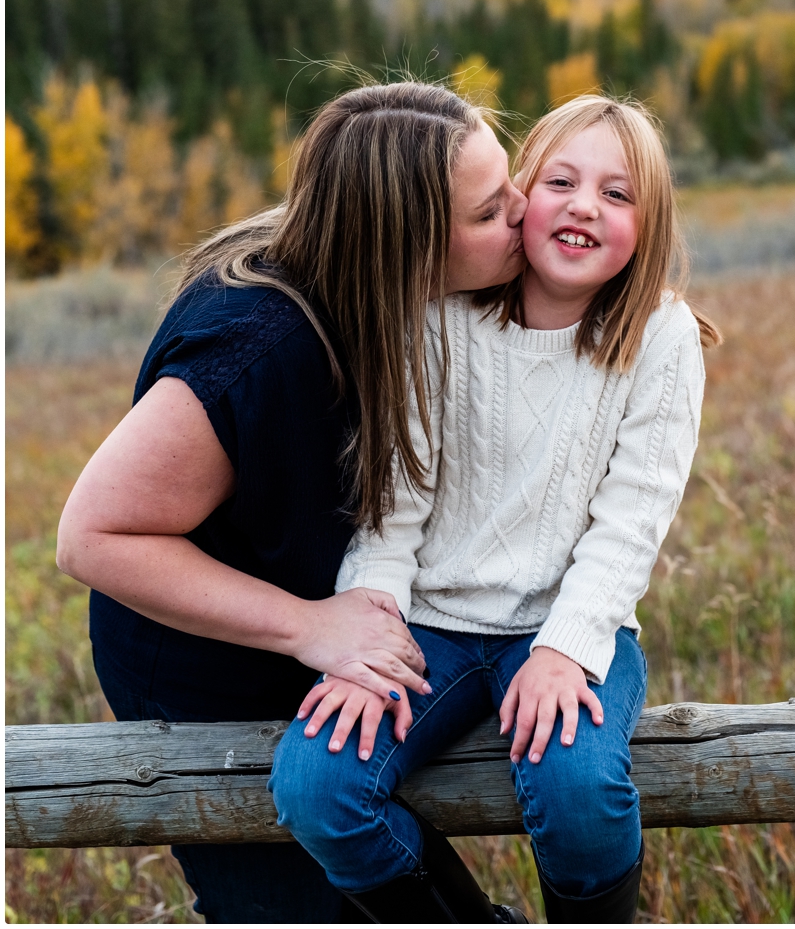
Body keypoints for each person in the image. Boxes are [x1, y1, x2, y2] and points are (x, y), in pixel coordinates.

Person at [57, 81, 530, 923]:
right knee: (301, 900)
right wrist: (310, 627)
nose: (523, 212)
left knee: (379, 860)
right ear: (409, 243)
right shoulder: (259, 344)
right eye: (492, 210)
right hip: (209, 661)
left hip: (311, 623)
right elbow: (92, 535)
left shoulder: (375, 280)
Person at [269, 95, 718, 923]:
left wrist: (566, 649)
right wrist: (366, 637)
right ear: (519, 197)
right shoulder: (440, 317)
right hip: (428, 623)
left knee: (578, 786)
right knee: (317, 784)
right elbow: (391, 510)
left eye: (619, 195)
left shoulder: (661, 335)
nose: (586, 205)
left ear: (648, 227)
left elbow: (632, 522)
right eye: (562, 180)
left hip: (568, 623)